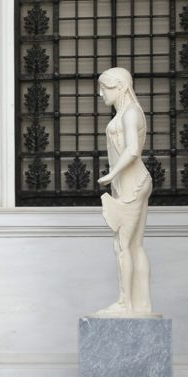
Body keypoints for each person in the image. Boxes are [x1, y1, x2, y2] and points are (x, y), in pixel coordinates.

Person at [93, 67, 153, 317]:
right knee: (135, 245)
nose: (100, 94)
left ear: (119, 87)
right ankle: (142, 305)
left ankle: (125, 303)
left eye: (104, 88)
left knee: (122, 244)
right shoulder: (129, 112)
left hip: (132, 183)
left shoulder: (130, 113)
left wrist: (112, 174)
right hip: (133, 181)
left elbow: (132, 150)